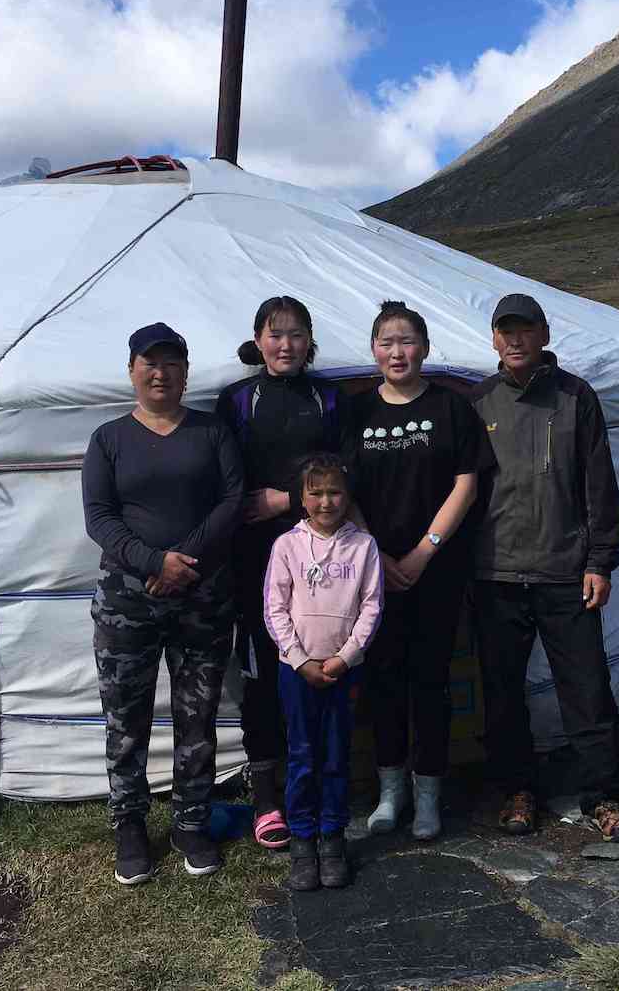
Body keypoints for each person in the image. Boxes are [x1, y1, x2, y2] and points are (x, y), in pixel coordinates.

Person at [468, 293, 619, 843]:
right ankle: (517, 790)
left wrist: (601, 560)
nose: (515, 340)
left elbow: (599, 484)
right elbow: (461, 492)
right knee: (502, 693)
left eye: (525, 329)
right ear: (494, 339)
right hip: (496, 574)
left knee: (587, 688)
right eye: (505, 330)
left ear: (543, 333)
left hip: (567, 571)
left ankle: (604, 798)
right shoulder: (479, 402)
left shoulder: (575, 397)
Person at [82, 323, 244, 883]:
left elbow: (232, 501)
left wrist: (183, 562)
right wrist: (155, 564)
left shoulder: (212, 432)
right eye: (150, 362)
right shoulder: (109, 439)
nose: (160, 372)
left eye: (172, 363)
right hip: (128, 602)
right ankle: (130, 822)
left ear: (185, 371)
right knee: (125, 718)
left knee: (196, 715)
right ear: (131, 370)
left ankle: (190, 821)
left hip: (202, 597)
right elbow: (99, 517)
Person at [215, 297, 351, 851]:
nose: (286, 345)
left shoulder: (331, 398)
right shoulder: (237, 400)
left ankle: (321, 783)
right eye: (275, 335)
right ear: (258, 338)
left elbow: (344, 470)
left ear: (310, 339)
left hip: (320, 556)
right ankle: (268, 793)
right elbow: (223, 476)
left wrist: (284, 499)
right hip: (255, 559)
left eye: (296, 335)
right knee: (263, 670)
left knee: (320, 663)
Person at [349, 301, 485, 840]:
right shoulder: (357, 413)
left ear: (425, 347)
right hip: (373, 569)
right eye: (386, 341)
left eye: (407, 341)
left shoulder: (452, 408)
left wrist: (423, 552)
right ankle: (390, 793)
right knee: (382, 679)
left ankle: (429, 793)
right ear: (374, 349)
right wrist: (377, 553)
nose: (396, 351)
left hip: (437, 567)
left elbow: (467, 484)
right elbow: (343, 491)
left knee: (430, 681)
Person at [263, 453, 383, 890]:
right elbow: (274, 609)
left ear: (348, 497)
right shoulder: (287, 546)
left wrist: (345, 657)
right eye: (316, 493)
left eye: (335, 492)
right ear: (301, 497)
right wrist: (300, 660)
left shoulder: (363, 546)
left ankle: (332, 838)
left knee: (335, 754)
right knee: (301, 755)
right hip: (296, 671)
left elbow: (371, 606)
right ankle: (302, 840)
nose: (326, 501)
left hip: (343, 670)